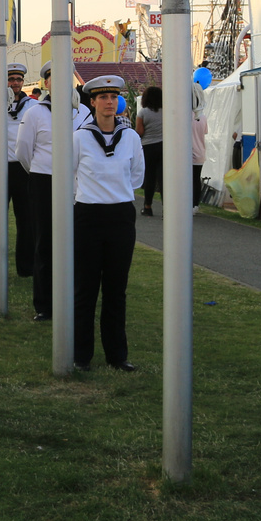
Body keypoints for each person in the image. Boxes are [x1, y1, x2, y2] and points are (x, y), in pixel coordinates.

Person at [71, 74, 144, 371]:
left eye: (113, 97)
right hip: (88, 216)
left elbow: (136, 176)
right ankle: (81, 354)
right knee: (85, 288)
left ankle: (117, 355)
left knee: (116, 289)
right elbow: (68, 174)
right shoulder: (79, 137)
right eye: (103, 97)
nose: (109, 103)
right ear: (92, 102)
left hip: (120, 217)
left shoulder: (131, 138)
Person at [17, 63, 55, 319]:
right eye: (55, 77)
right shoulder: (35, 113)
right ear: (47, 83)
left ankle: (72, 298)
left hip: (78, 183)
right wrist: (40, 170)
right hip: (44, 180)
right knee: (45, 243)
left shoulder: (84, 112)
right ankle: (44, 304)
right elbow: (23, 152)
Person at [5, 63, 36, 278]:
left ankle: (25, 268)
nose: (15, 83)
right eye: (11, 79)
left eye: (18, 79)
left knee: (26, 219)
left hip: (24, 167)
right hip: (0, 166)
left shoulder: (32, 107)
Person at [134, 86, 163, 217]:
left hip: (148, 147)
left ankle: (147, 206)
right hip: (164, 146)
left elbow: (140, 132)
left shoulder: (143, 113)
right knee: (164, 178)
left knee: (150, 177)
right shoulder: (166, 111)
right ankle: (166, 208)